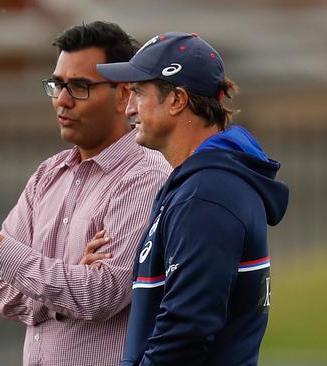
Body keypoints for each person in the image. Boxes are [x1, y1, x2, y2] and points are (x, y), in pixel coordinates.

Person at [0, 21, 171, 366]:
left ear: (125, 94)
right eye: (57, 85)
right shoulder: (48, 175)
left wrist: (0, 250)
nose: (62, 101)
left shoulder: (144, 177)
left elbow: (100, 295)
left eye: (80, 86)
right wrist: (65, 282)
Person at [97, 32, 289, 365]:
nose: (128, 107)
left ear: (177, 100)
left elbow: (187, 328)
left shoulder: (205, 194)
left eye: (139, 92)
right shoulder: (202, 185)